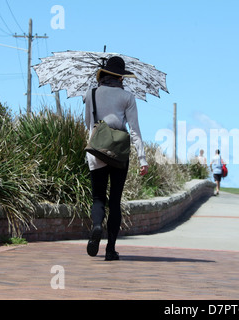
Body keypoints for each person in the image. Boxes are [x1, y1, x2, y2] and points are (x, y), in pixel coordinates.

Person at [84, 56, 148, 261]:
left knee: (98, 198)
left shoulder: (91, 93)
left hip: (96, 150)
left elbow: (88, 123)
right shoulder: (127, 97)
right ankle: (110, 250)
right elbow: (134, 130)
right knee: (115, 201)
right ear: (121, 77)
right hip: (119, 153)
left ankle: (96, 227)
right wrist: (142, 158)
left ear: (102, 75)